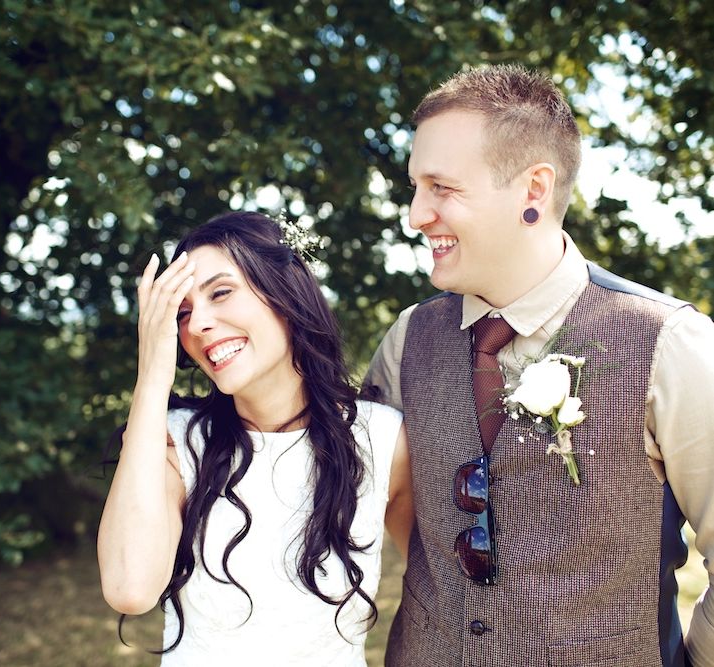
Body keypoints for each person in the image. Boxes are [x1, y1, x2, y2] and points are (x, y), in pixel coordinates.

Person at [364, 64, 714, 667]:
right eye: (415, 187)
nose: (415, 214)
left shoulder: (672, 344)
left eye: (441, 188)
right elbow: (378, 505)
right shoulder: (406, 342)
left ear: (534, 190)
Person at [97, 211, 413, 666]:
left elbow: (439, 593)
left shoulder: (381, 439)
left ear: (286, 295)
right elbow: (130, 589)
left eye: (220, 293)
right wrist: (151, 375)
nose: (197, 324)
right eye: (181, 313)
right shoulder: (173, 442)